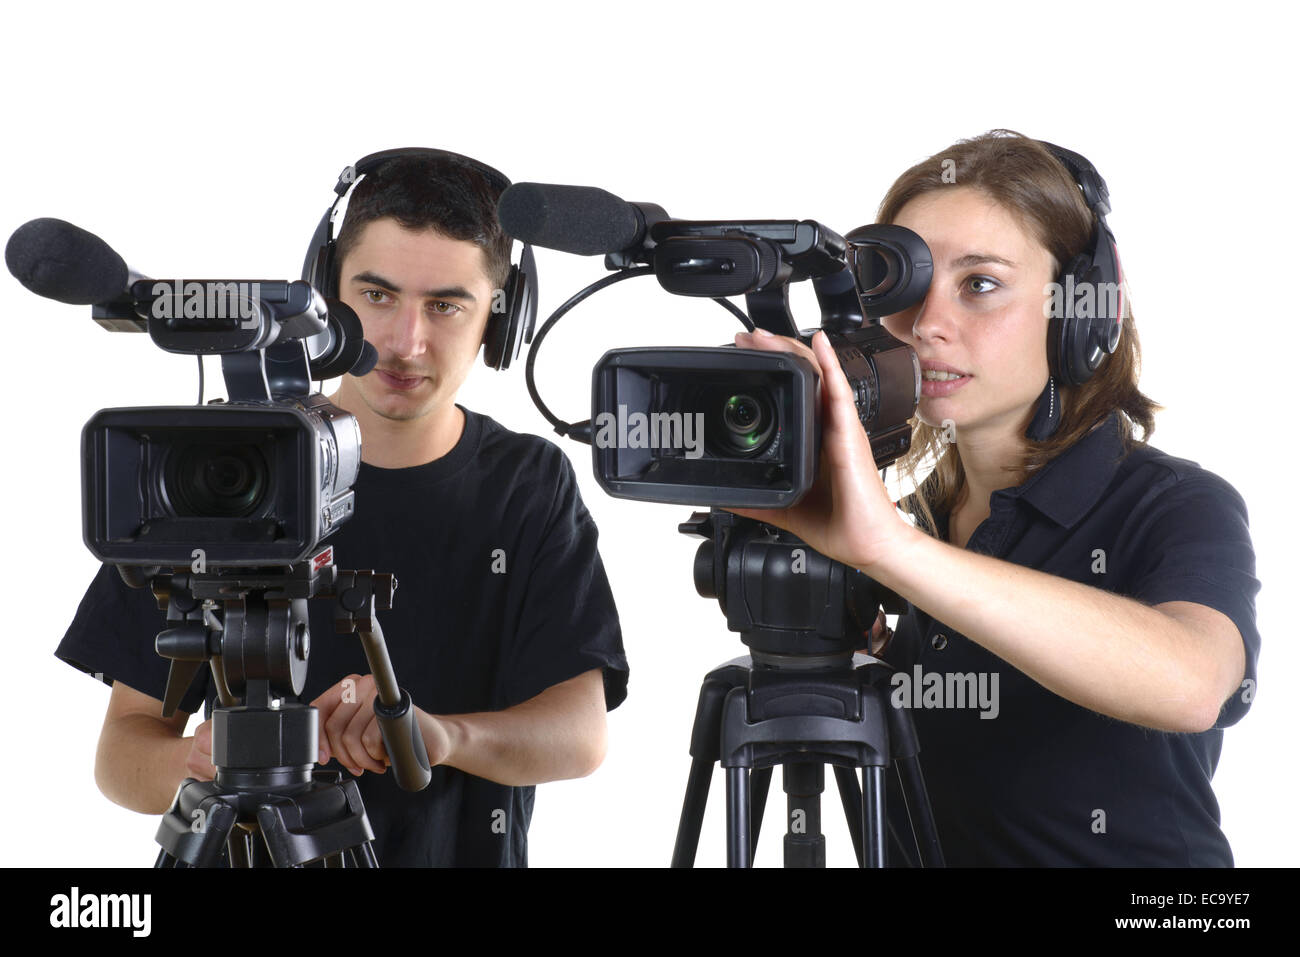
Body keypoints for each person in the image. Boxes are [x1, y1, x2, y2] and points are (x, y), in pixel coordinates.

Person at [55, 150, 629, 867]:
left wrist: (439, 734)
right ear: (327, 289)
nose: (403, 341)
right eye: (377, 294)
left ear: (500, 317)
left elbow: (580, 734)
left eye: (446, 305)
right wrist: (203, 760)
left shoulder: (529, 482)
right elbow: (122, 752)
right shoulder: (221, 466)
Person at [727, 131, 1259, 866]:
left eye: (979, 283)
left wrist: (888, 547)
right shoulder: (920, 521)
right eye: (904, 286)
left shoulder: (1173, 503)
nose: (927, 325)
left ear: (1082, 308)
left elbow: (1196, 683)